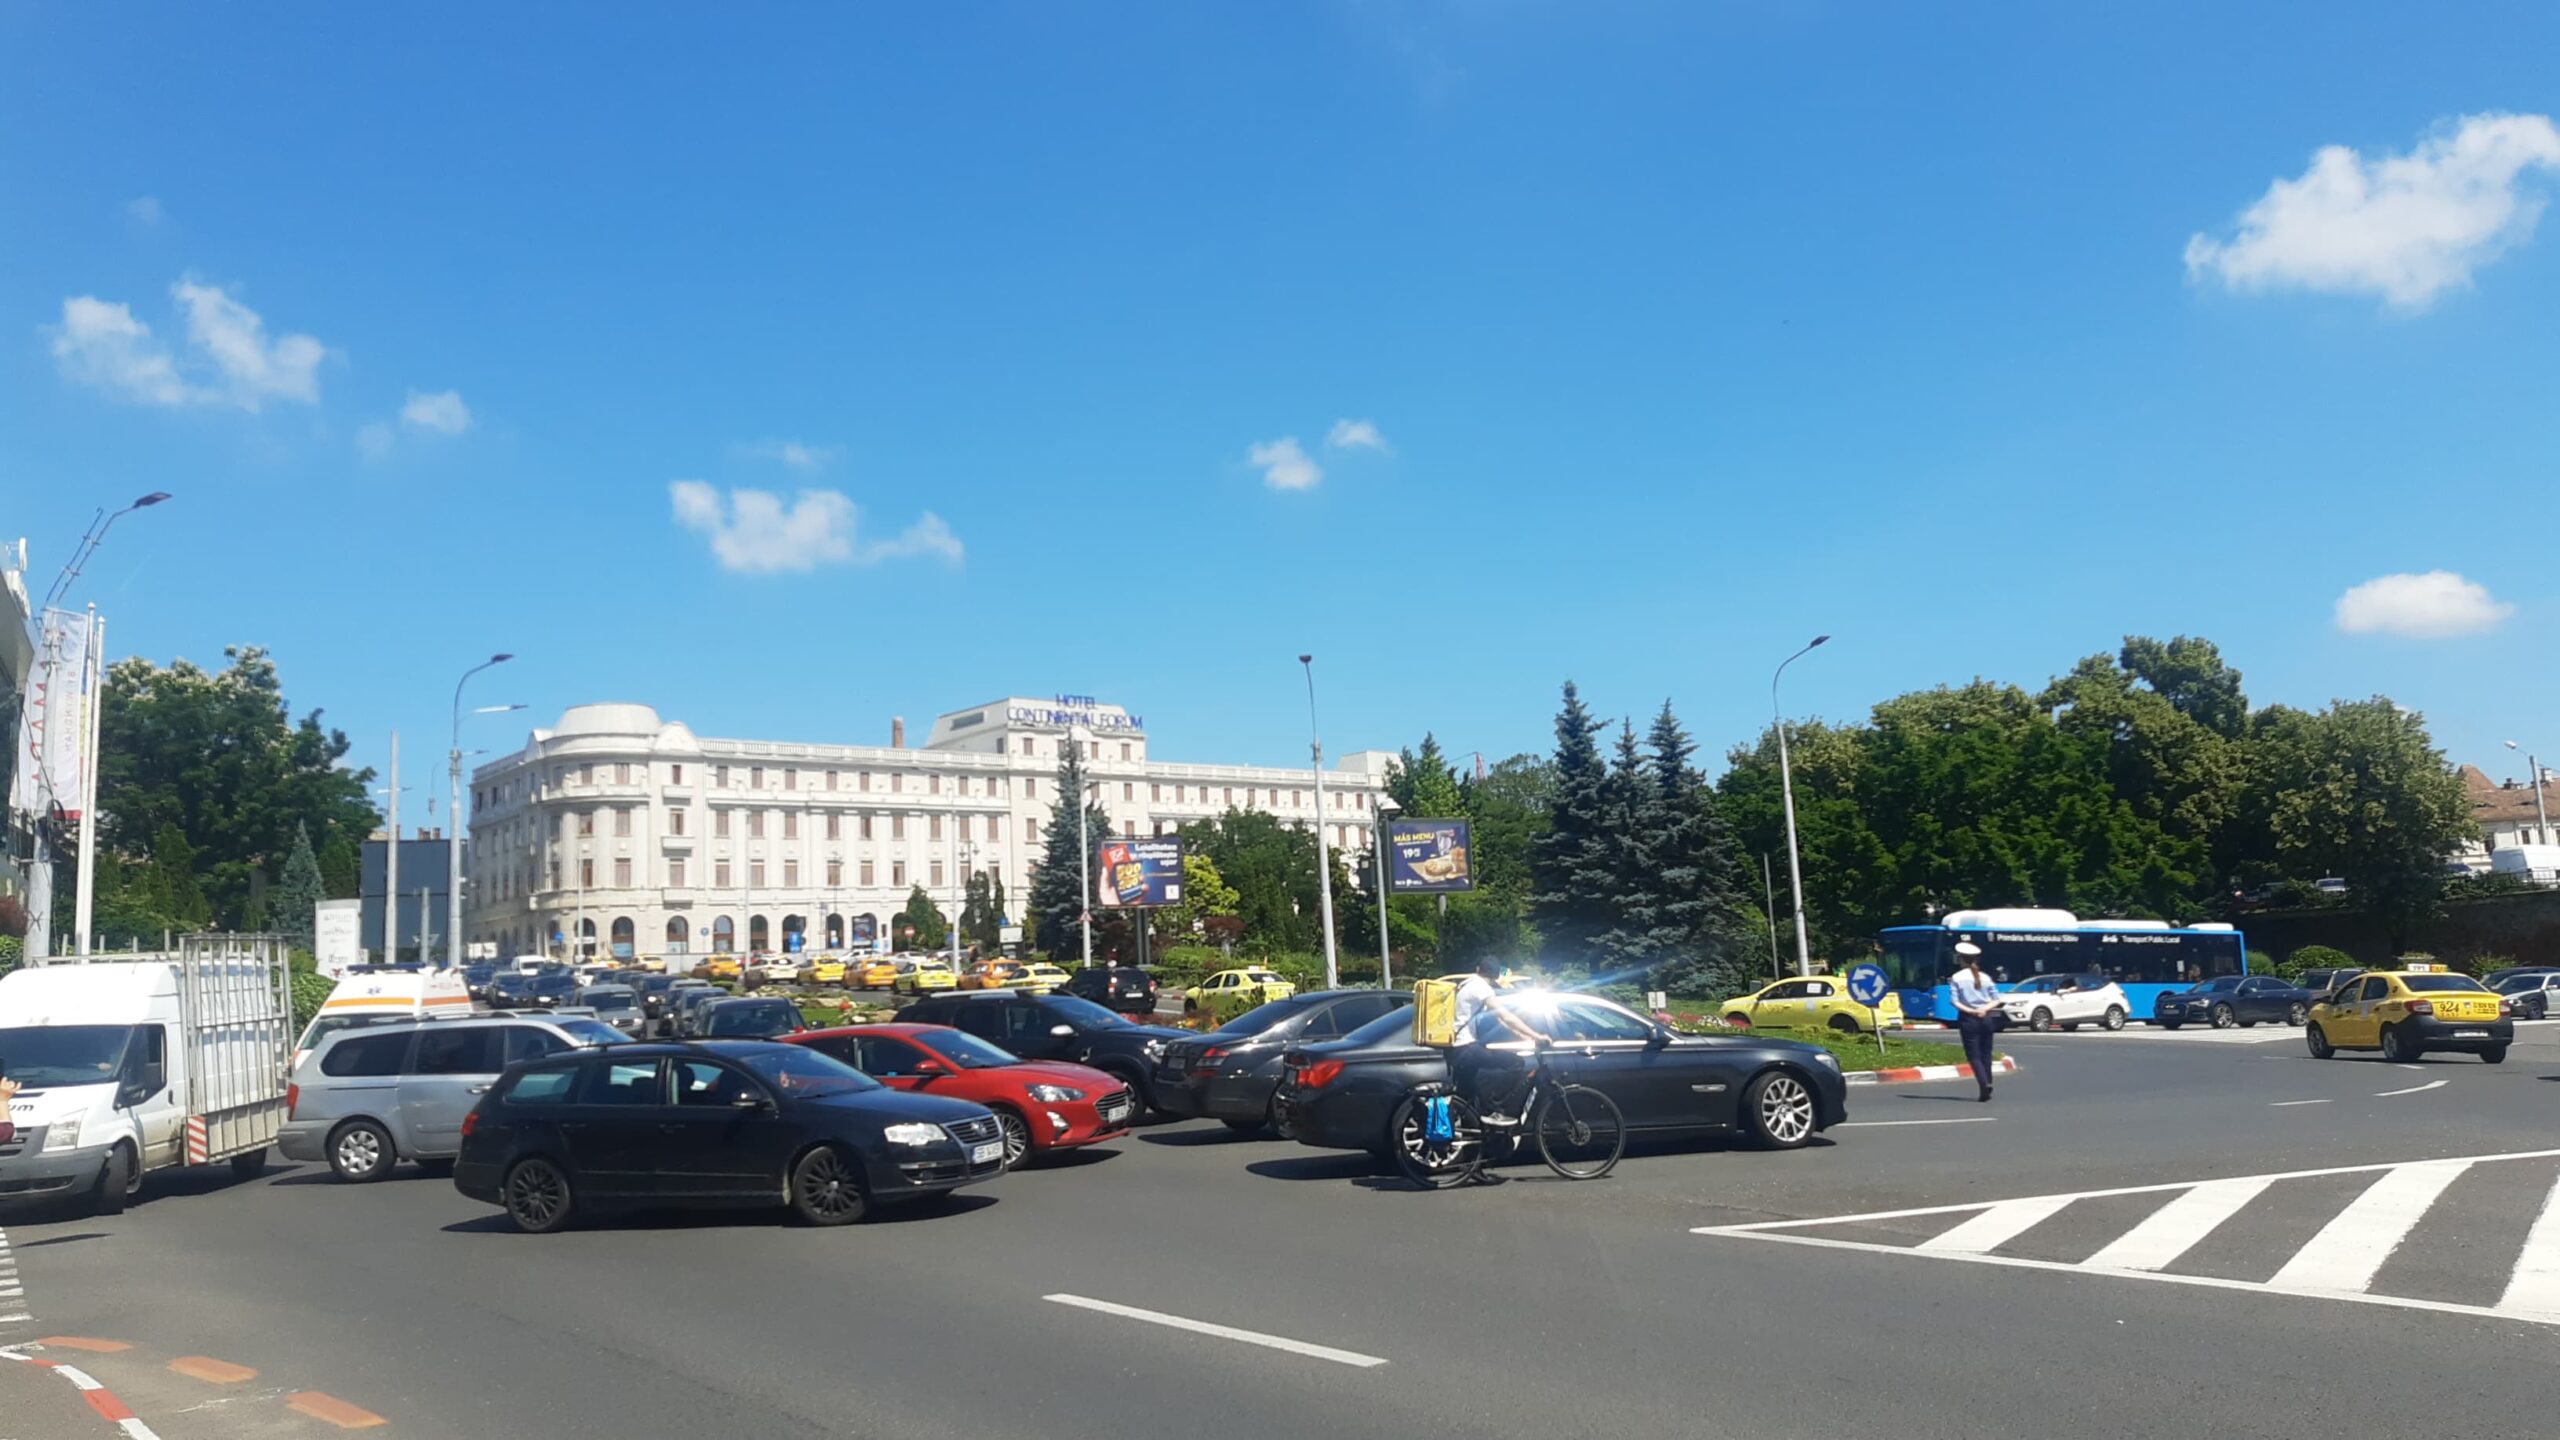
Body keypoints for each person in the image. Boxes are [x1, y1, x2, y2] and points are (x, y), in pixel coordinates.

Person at [1447, 958, 1547, 1125]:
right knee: (1514, 1063)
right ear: (1495, 975)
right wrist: (1536, 1035)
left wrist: (1523, 1036)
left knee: (1465, 1097)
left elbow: (1501, 1021)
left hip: (1457, 1048)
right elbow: (1505, 1016)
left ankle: (1468, 1134)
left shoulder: (1466, 985)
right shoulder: (1481, 987)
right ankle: (1493, 1109)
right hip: (1465, 1047)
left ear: (1478, 968)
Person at [1947, 942, 2002, 1102]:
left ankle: (1984, 1084)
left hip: (1968, 1019)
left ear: (1961, 960)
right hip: (1986, 1018)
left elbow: (1954, 1001)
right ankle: (1989, 1082)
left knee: (1974, 1056)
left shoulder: (1957, 978)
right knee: (1986, 1054)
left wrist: (1971, 1011)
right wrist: (1983, 1009)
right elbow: (1996, 1000)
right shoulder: (1985, 977)